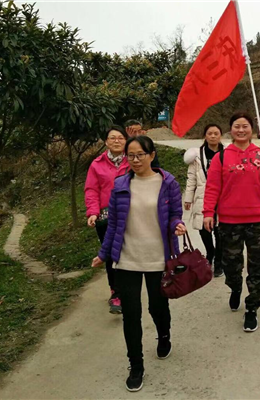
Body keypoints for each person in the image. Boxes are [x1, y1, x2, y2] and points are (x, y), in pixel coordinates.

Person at [91, 135, 186, 392]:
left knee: (157, 307)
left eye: (140, 155)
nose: (134, 160)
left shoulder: (168, 183)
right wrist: (104, 253)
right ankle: (136, 365)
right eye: (130, 155)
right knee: (131, 315)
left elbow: (174, 214)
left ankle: (164, 335)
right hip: (127, 259)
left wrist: (177, 224)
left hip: (158, 258)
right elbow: (113, 224)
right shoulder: (120, 184)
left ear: (152, 155)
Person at [203, 112, 260, 332]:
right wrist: (208, 212)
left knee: (257, 265)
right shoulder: (221, 157)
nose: (241, 130)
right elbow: (212, 187)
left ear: (252, 129)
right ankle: (235, 287)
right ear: (231, 130)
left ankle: (252, 306)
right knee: (231, 264)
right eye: (237, 126)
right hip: (229, 221)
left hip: (258, 220)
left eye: (245, 126)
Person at [85, 125, 130, 314]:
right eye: (112, 138)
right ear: (106, 142)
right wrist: (93, 212)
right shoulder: (97, 164)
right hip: (106, 217)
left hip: (130, 214)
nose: (117, 141)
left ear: (126, 141)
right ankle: (116, 293)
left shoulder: (133, 160)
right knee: (111, 254)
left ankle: (129, 287)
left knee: (129, 251)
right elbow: (91, 190)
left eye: (120, 137)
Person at [183, 124, 224, 278]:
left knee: (220, 232)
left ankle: (219, 261)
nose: (213, 136)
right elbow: (191, 178)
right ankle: (210, 252)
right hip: (202, 196)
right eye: (210, 133)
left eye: (216, 133)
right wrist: (188, 198)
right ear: (205, 136)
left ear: (220, 136)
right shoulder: (197, 156)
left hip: (222, 197)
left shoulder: (226, 153)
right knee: (204, 229)